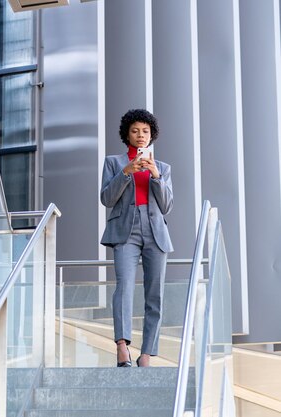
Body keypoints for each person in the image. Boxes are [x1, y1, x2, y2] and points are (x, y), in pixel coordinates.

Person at [100, 109, 174, 367]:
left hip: (155, 232)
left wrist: (156, 176)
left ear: (152, 134)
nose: (140, 135)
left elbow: (167, 206)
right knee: (124, 286)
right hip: (125, 231)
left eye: (145, 131)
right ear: (126, 135)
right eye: (135, 131)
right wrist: (126, 172)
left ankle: (146, 354)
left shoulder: (163, 167)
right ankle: (122, 345)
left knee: (155, 294)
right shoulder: (113, 162)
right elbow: (106, 199)